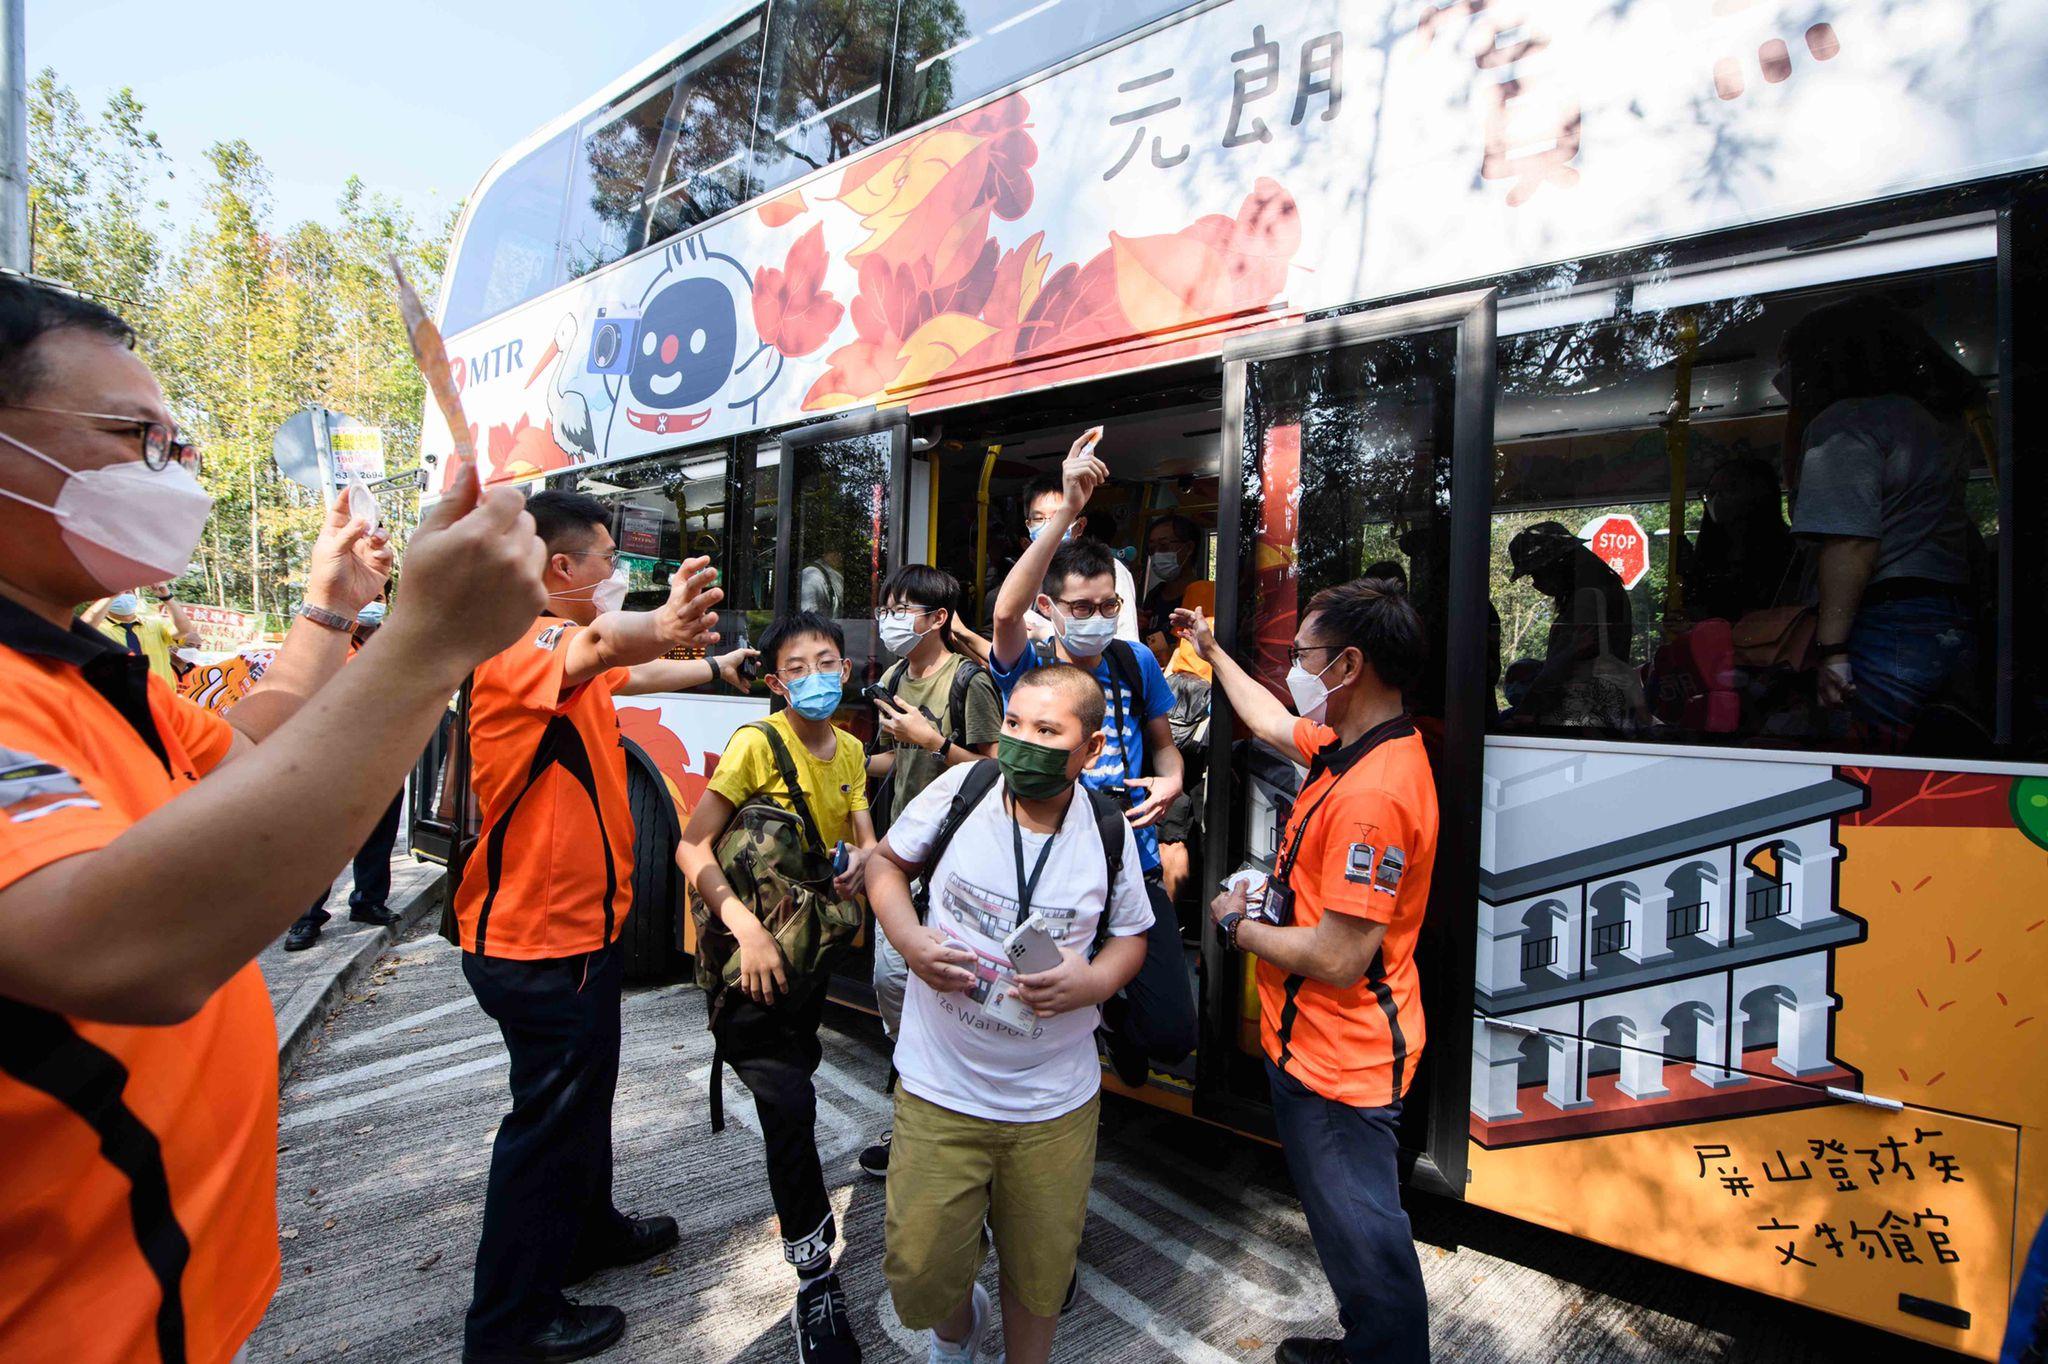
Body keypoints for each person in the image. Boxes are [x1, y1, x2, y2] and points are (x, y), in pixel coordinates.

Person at [0, 274, 551, 1364]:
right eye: (135, 438)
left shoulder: (83, 668)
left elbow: (248, 759)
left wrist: (336, 607)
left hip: (171, 1300)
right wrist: (428, 642)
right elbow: (108, 944)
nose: (175, 471)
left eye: (179, 443)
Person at [454, 490, 746, 1364]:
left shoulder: (568, 661)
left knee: (582, 1103)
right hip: (537, 945)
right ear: (560, 571)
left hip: (576, 940)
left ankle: (586, 1232)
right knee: (544, 1127)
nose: (620, 570)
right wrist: (657, 621)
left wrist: (719, 666)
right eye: (609, 558)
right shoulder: (527, 643)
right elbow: (602, 645)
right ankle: (510, 1322)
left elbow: (631, 670)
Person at [1179, 577, 1437, 1364]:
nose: (1296, 669)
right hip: (1319, 1044)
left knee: (1363, 1232)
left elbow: (1338, 954)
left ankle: (1385, 1354)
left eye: (1306, 656)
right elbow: (1268, 719)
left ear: (1349, 665)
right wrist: (1214, 650)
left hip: (1340, 1059)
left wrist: (1239, 925)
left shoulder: (1375, 794)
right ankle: (1374, 1344)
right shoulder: (1353, 747)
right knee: (1350, 1226)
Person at [867, 663, 1152, 1364]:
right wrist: (910, 941)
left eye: (1047, 731)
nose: (1022, 743)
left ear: (1090, 751)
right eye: (1015, 724)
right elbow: (885, 867)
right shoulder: (963, 789)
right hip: (942, 1087)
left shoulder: (1106, 830)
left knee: (1041, 1275)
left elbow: (1134, 937)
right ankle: (958, 1333)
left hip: (1052, 1103)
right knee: (920, 1275)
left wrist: (1091, 983)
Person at [675, 610, 875, 1364]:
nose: (815, 677)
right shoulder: (757, 743)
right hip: (748, 962)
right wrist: (746, 929)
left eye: (827, 662)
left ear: (847, 671)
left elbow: (864, 844)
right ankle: (814, 1276)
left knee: (799, 1083)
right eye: (798, 667)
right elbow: (692, 846)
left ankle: (811, 1258)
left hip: (809, 957)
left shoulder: (852, 747)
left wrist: (864, 864)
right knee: (791, 1106)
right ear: (773, 679)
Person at [992, 429, 1196, 1086]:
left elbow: (1167, 753)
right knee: (1034, 1009)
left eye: (1109, 604)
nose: (1098, 616)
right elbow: (1004, 613)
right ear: (1050, 608)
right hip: (1051, 869)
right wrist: (1063, 514)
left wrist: (1169, 792)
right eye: (1081, 607)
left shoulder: (1134, 661)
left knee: (1171, 1034)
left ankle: (1107, 1012)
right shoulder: (1029, 662)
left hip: (1130, 864)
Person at [1777, 295, 1983, 748]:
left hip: (1882, 621)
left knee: (1873, 761)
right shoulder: (1934, 423)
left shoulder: (1847, 424)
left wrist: (1833, 650)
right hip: (1943, 612)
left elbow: (1851, 542)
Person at [861, 564, 1002, 1180]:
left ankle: (943, 1120)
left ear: (938, 618)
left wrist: (932, 742)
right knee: (893, 981)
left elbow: (997, 772)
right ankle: (920, 1105)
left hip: (957, 856)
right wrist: (835, 764)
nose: (890, 619)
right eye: (886, 607)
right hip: (903, 851)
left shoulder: (968, 681)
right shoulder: (893, 676)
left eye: (902, 609)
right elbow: (893, 759)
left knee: (927, 979)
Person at [283, 598, 405, 949]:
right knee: (322, 840)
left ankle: (368, 902)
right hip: (333, 757)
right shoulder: (328, 643)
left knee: (379, 835)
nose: (373, 605)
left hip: (384, 754)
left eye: (380, 599)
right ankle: (306, 917)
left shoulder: (394, 641)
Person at [1504, 519, 1647, 732]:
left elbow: (1564, 664)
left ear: (1557, 564)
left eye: (1536, 574)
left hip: (1578, 720)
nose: (1536, 584)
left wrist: (1527, 709)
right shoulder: (1610, 590)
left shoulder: (1588, 599)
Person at [1019, 470, 1140, 644]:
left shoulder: (1106, 569)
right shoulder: (1027, 575)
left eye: (1058, 518)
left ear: (1080, 525)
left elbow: (1127, 643)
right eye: (1038, 519)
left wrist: (1052, 636)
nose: (1049, 527)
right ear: (1028, 525)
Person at [1682, 456, 1797, 624]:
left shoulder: (1790, 552)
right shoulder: (1707, 557)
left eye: (1730, 489)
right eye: (1711, 493)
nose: (1718, 499)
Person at [83, 581, 196, 680]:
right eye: (117, 593)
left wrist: (167, 597)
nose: (123, 596)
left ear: (135, 596)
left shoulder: (155, 623)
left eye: (128, 592)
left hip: (159, 698)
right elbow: (82, 630)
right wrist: (110, 596)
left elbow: (184, 629)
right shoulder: (99, 629)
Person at [1139, 513, 1206, 645]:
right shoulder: (1154, 595)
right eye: (1152, 549)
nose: (1157, 554)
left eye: (1164, 545)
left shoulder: (1203, 596)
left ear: (1188, 548)